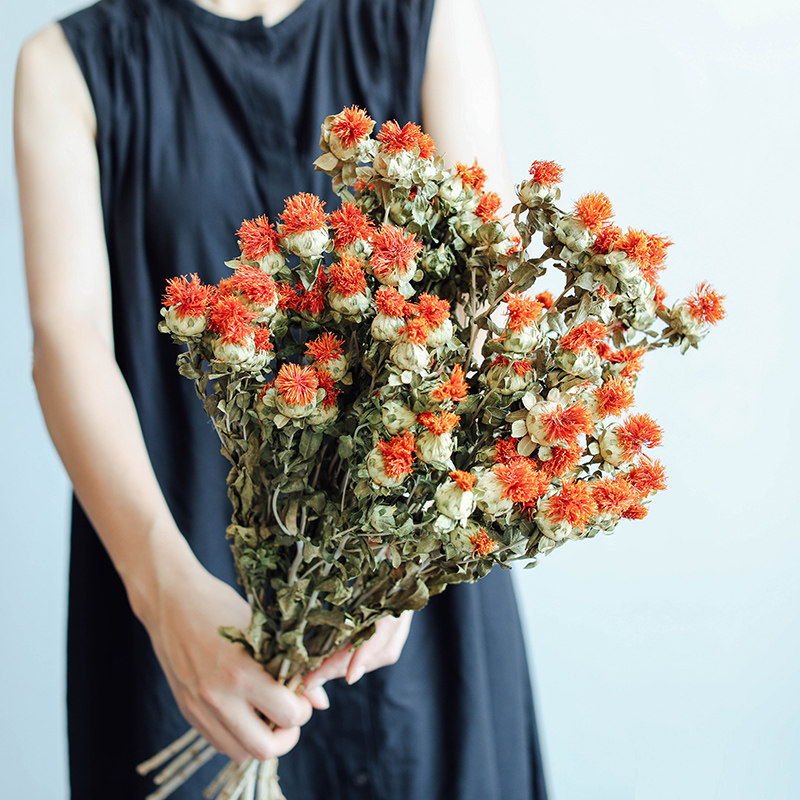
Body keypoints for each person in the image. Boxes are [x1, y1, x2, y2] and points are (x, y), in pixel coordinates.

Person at [15, 0, 549, 797]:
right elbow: (68, 339)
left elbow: (488, 300)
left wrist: (409, 547)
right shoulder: (66, 67)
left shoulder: (428, 19)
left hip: (412, 592)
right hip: (181, 569)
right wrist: (162, 593)